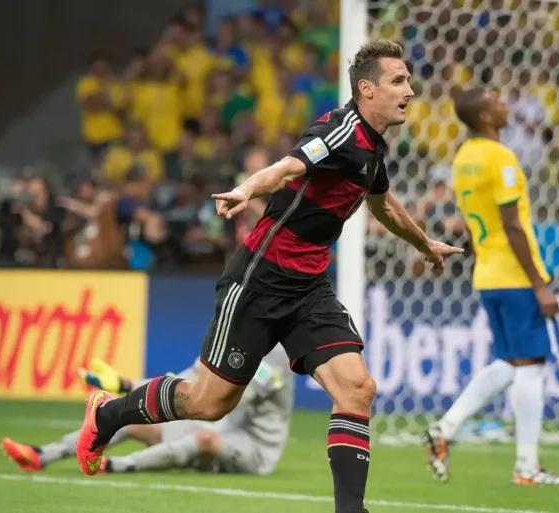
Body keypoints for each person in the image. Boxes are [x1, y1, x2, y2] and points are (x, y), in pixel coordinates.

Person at [74, 39, 463, 513]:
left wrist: (424, 244)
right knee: (209, 404)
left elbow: (384, 206)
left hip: (309, 287)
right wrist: (246, 189)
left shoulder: (373, 148)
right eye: (398, 81)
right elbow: (286, 168)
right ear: (367, 89)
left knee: (356, 388)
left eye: (408, 80)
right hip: (260, 279)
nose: (410, 89)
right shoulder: (339, 130)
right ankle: (108, 414)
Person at [421, 87, 559, 486]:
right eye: (497, 102)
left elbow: (477, 217)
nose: (506, 105)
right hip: (514, 274)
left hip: (486, 273)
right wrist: (539, 284)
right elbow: (512, 224)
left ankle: (444, 428)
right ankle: (527, 467)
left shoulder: (463, 158)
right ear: (485, 117)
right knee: (533, 365)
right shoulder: (500, 157)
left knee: (509, 362)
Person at [1, 346, 293, 476]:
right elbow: (183, 383)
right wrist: (125, 384)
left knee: (203, 439)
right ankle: (42, 455)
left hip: (255, 450)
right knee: (132, 422)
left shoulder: (276, 355)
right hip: (221, 427)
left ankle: (116, 466)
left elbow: (221, 400)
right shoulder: (232, 339)